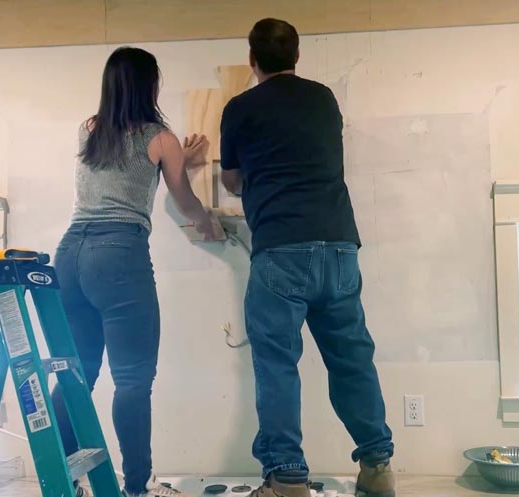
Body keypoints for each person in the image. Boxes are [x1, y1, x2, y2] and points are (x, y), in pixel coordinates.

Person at [219, 18, 395, 497]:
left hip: (281, 250)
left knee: (277, 365)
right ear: (296, 57)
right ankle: (378, 468)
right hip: (339, 247)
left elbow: (232, 182)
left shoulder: (239, 108)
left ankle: (287, 479)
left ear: (252, 60)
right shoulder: (323, 98)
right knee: (352, 360)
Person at [51, 46, 220, 497]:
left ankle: (64, 480)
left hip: (69, 255)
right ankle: (137, 486)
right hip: (118, 255)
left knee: (76, 373)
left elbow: (120, 173)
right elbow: (182, 199)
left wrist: (184, 161)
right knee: (132, 378)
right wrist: (207, 224)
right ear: (151, 86)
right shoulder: (160, 138)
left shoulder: (87, 130)